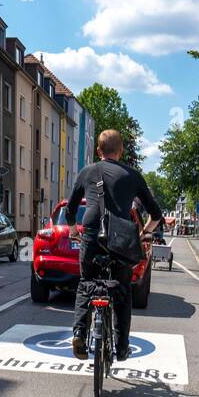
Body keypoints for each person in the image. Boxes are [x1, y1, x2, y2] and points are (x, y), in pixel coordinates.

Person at [65, 129, 163, 361]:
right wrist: (142, 233)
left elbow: (70, 210)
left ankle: (79, 331)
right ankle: (121, 346)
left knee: (86, 283)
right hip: (120, 238)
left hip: (91, 233)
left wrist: (72, 231)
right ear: (121, 151)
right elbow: (156, 214)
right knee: (122, 290)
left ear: (98, 151)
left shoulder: (87, 172)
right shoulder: (133, 175)